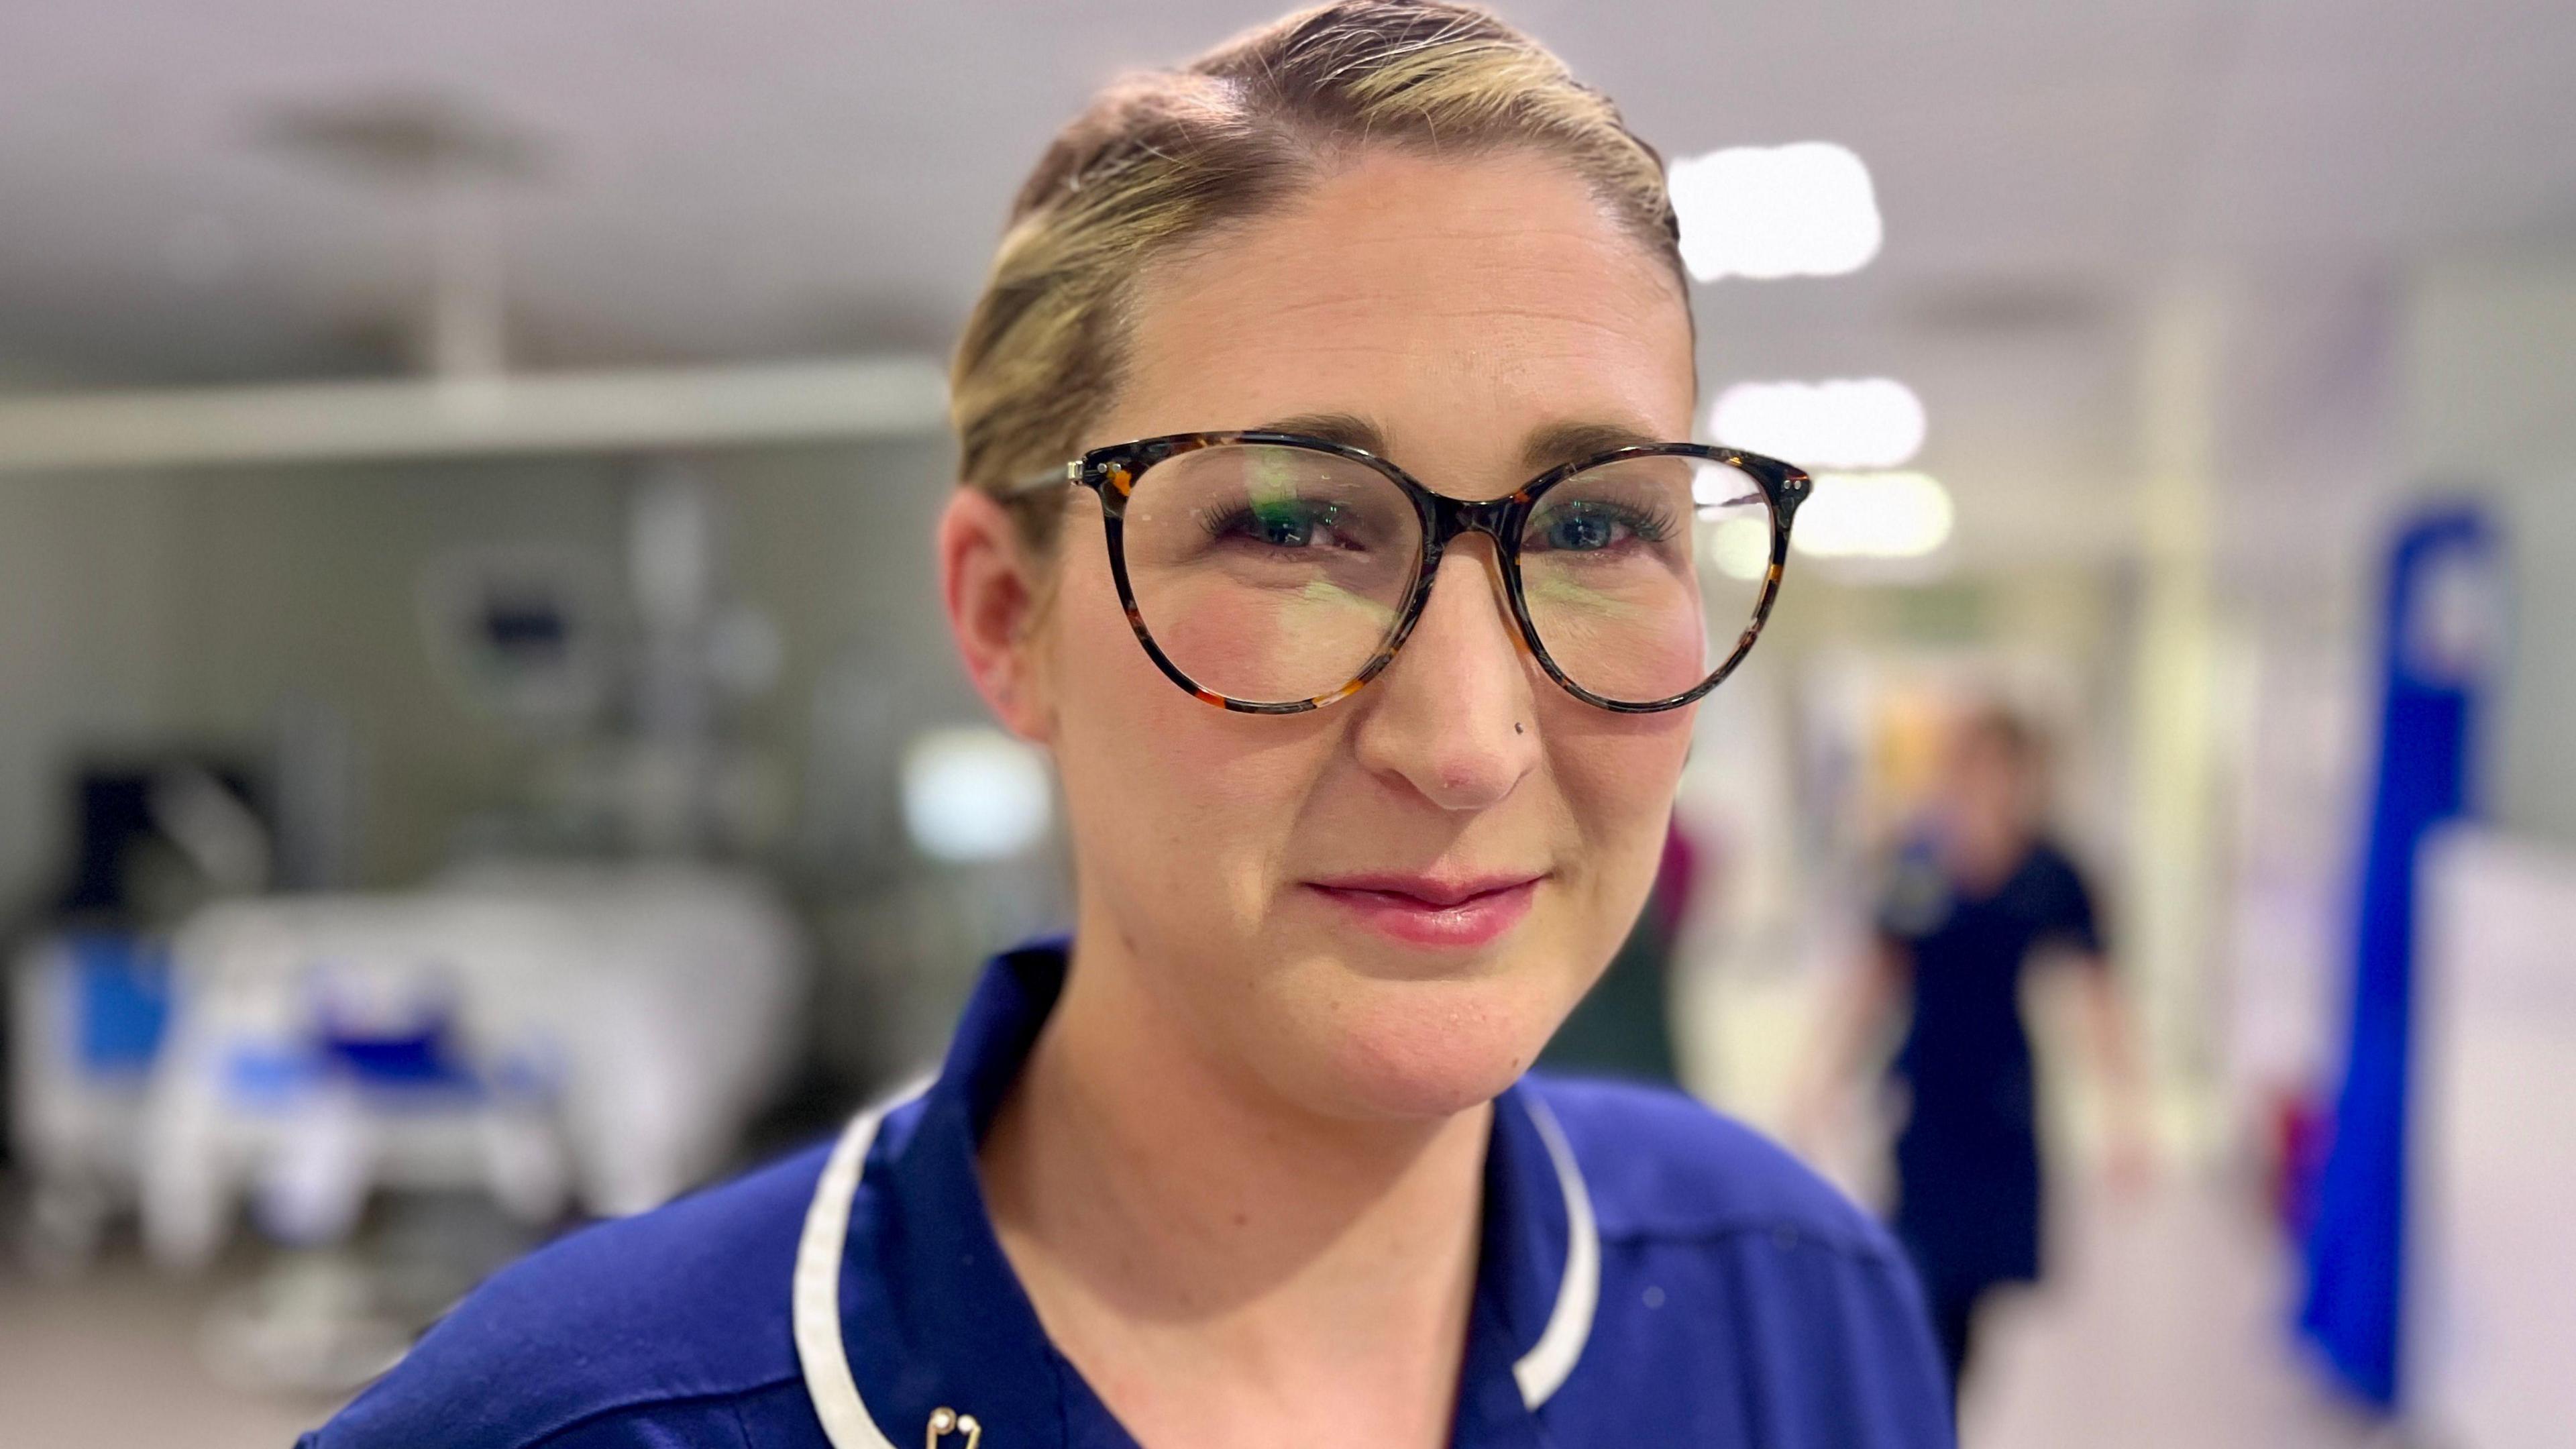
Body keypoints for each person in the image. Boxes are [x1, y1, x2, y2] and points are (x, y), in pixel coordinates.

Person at [303, 4, 1951, 1445]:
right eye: (1292, 527)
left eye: (1594, 526)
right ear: (1006, 619)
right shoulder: (585, 1421)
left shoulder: (1794, 1311)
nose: (1464, 741)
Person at [1799, 704, 2151, 1407]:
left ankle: (1940, 1413)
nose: (1989, 784)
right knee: (1914, 1279)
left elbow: (2098, 996)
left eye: (2005, 768)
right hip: (1927, 1095)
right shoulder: (1916, 862)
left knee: (1970, 1297)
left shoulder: (2054, 872)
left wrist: (2126, 1113)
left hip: (2004, 1101)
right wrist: (1821, 1081)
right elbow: (1875, 977)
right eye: (1975, 765)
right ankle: (1923, 1414)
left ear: (2029, 777)